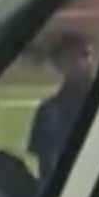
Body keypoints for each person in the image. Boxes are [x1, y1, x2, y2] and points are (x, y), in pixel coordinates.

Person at [27, 31, 93, 183]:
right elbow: (44, 162)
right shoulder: (47, 111)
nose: (77, 63)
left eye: (83, 55)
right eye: (70, 58)